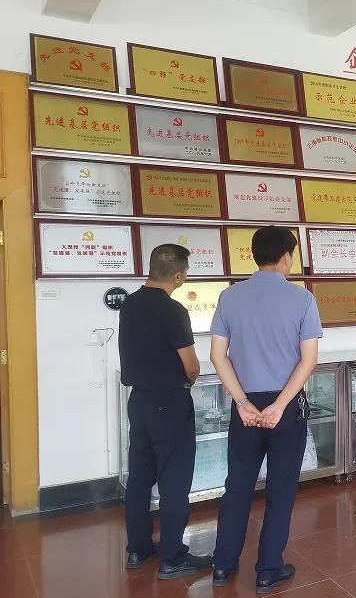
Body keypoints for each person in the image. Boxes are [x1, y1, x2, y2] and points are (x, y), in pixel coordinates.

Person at [210, 226, 323, 593]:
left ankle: (222, 565)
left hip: (244, 406)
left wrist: (242, 402)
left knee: (237, 486)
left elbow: (218, 356)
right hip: (285, 407)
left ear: (255, 255)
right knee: (281, 487)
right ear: (286, 256)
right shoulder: (302, 299)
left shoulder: (230, 297)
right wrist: (280, 404)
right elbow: (308, 360)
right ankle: (268, 569)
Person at [119, 244, 213, 579]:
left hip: (139, 402)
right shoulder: (173, 310)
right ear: (178, 275)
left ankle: (138, 549)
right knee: (175, 482)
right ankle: (172, 557)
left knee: (139, 478)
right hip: (169, 403)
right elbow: (191, 366)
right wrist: (190, 378)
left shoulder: (130, 303)